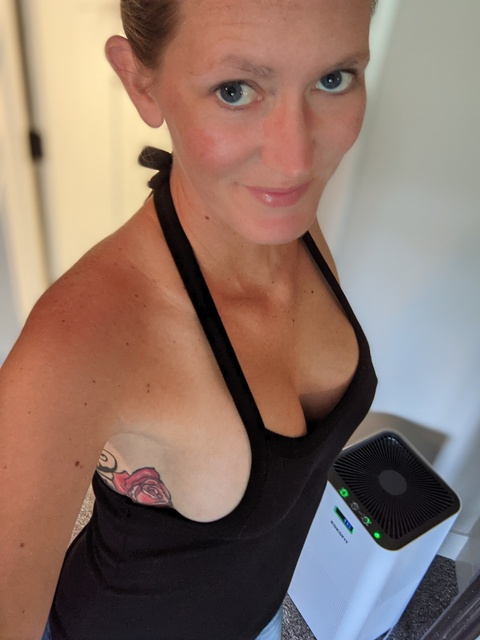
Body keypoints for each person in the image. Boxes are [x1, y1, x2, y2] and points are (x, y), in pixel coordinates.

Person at [0, 0, 378, 638]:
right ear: (140, 82)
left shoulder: (292, 225)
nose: (296, 159)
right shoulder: (76, 343)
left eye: (333, 79)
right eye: (235, 90)